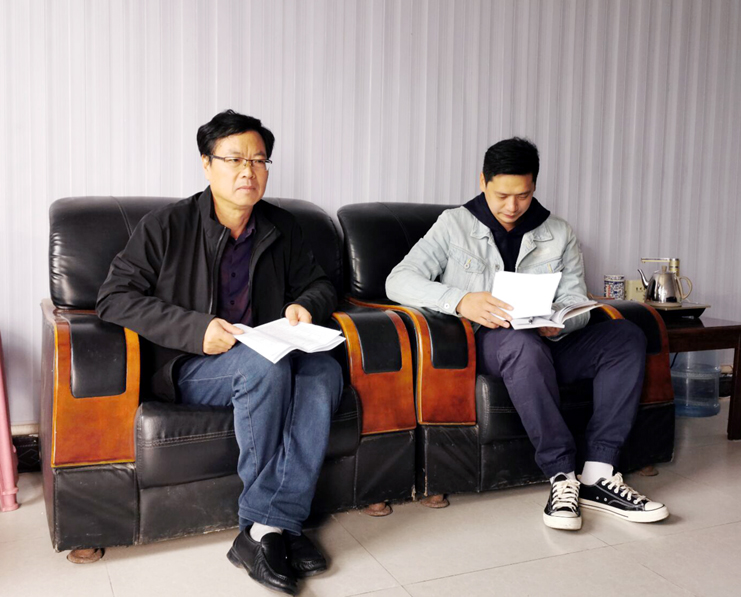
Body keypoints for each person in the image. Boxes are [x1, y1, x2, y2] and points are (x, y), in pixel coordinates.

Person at [97, 110, 343, 595]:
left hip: (268, 351)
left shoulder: (282, 226)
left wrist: (305, 305)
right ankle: (276, 527)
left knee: (324, 373)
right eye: (234, 159)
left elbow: (319, 284)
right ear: (207, 164)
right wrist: (195, 330)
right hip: (191, 364)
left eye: (258, 160)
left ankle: (268, 527)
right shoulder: (166, 226)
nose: (248, 171)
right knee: (264, 368)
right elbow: (113, 297)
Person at [386, 137, 668, 531]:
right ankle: (561, 474)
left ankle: (599, 474)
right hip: (492, 343)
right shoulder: (453, 225)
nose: (512, 206)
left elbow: (575, 296)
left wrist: (562, 320)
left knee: (626, 335)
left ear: (534, 185)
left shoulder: (558, 231)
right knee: (521, 344)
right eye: (502, 195)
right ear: (482, 182)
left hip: (550, 341)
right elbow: (398, 280)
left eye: (523, 195)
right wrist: (461, 300)